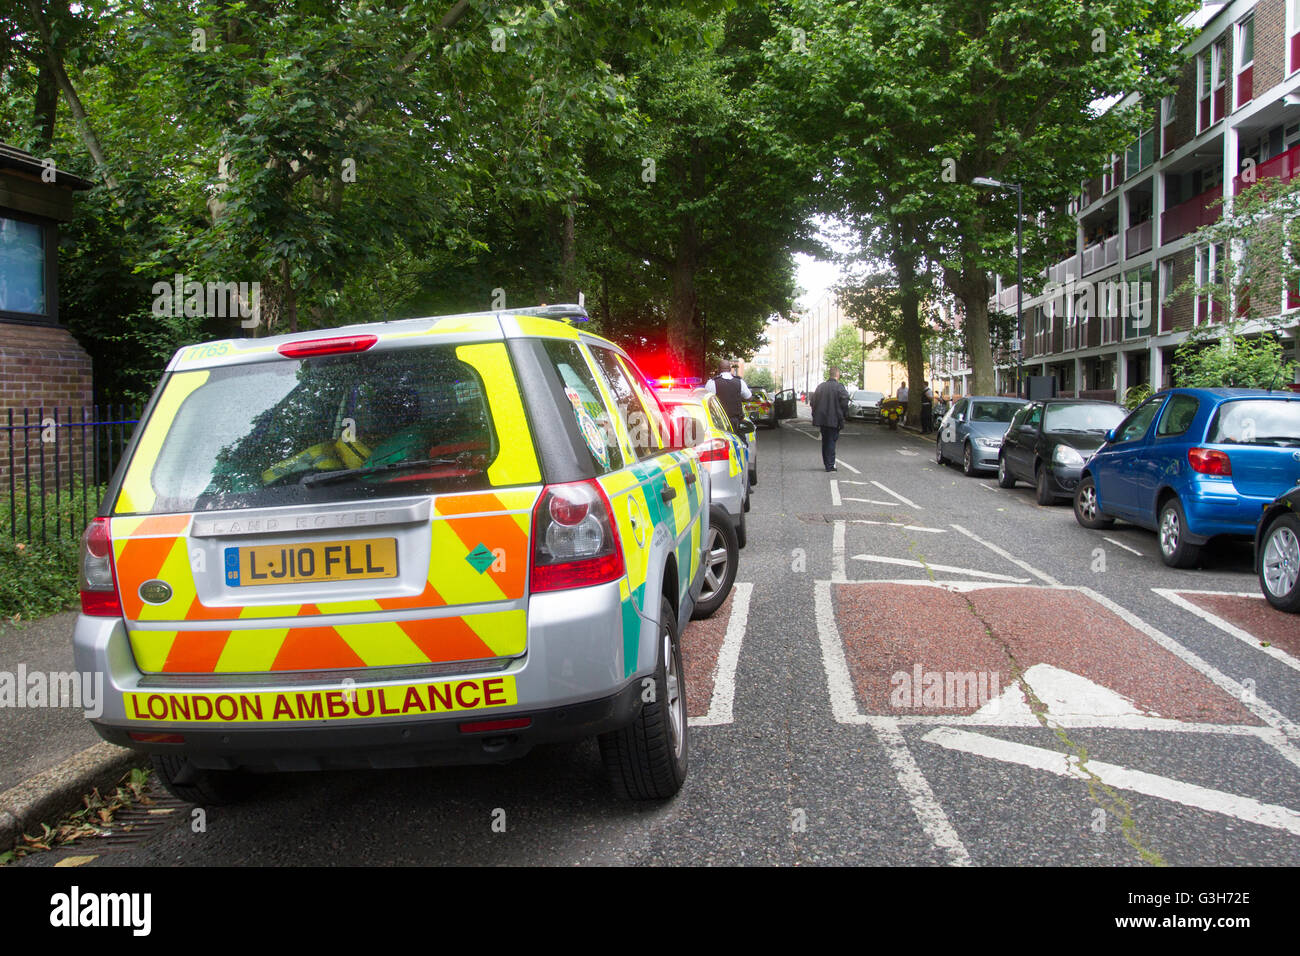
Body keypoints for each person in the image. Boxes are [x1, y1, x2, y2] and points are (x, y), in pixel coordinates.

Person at [811, 367, 850, 472]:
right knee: (831, 441)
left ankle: (827, 462)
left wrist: (815, 414)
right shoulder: (840, 387)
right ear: (837, 375)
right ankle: (830, 465)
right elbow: (845, 401)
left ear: (830, 374)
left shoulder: (820, 387)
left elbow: (813, 402)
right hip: (835, 419)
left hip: (822, 419)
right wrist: (844, 415)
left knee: (825, 441)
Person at [705, 358, 751, 432]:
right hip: (736, 422)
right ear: (730, 368)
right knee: (740, 442)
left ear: (718, 369)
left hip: (719, 423)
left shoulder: (712, 382)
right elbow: (749, 397)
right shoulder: (739, 382)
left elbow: (706, 400)